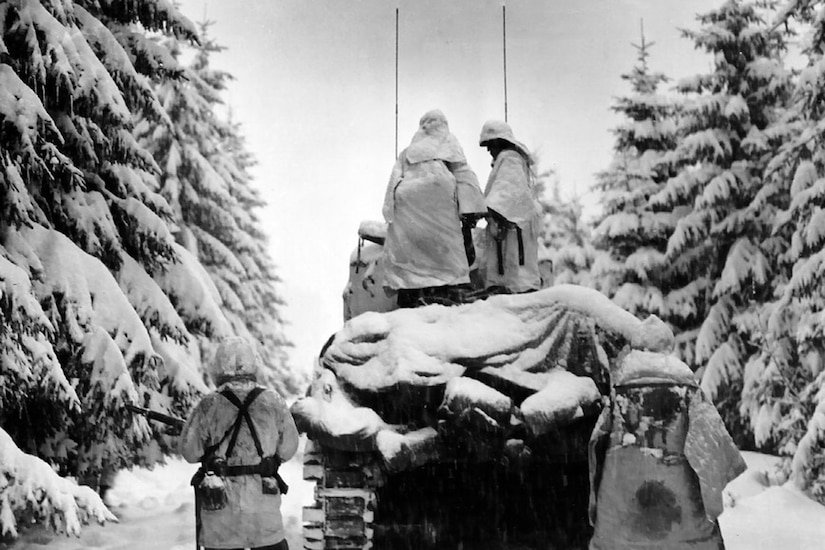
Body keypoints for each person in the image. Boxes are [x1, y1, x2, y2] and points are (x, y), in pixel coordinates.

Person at [180, 337, 299, 550]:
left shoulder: (209, 404)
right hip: (263, 512)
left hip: (222, 514)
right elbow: (289, 446)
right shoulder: (273, 402)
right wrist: (269, 460)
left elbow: (190, 451)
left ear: (218, 366)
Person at [382, 109, 487, 307]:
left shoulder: (408, 151)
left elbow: (393, 182)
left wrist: (389, 210)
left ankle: (412, 289)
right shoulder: (448, 142)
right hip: (439, 194)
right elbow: (465, 177)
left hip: (407, 197)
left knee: (410, 255)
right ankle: (445, 288)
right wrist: (471, 213)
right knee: (448, 255)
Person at [478, 120, 541, 294]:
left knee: (517, 276)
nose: (489, 151)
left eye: (490, 145)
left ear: (499, 142)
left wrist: (486, 209)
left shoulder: (509, 158)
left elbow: (507, 195)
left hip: (513, 229)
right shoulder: (509, 159)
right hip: (513, 228)